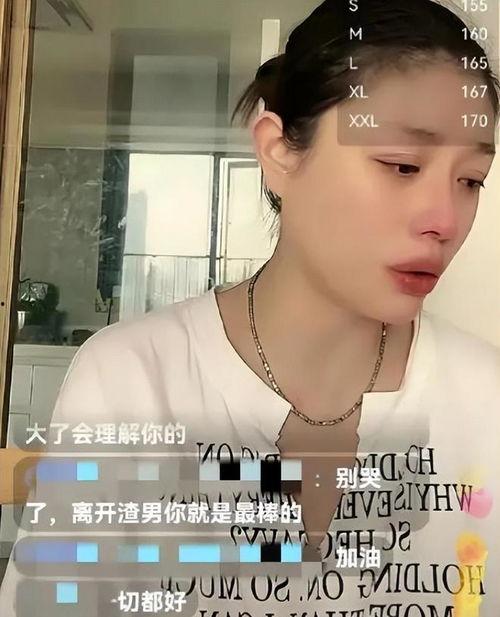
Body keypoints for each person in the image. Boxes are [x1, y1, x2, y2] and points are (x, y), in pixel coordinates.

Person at [1, 0, 500, 615]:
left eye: (471, 180)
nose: (445, 219)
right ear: (279, 152)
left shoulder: (487, 399)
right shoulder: (132, 378)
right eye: (402, 164)